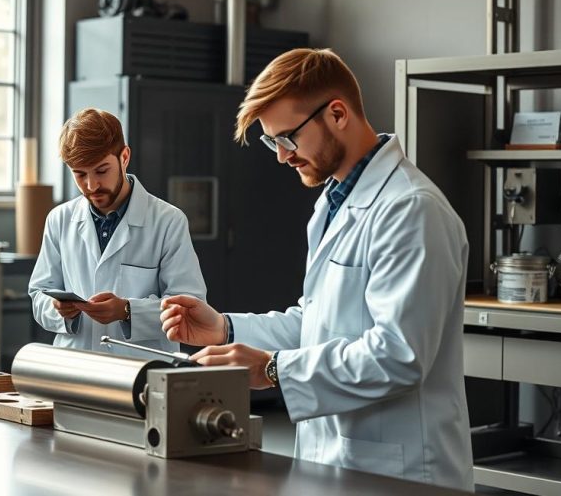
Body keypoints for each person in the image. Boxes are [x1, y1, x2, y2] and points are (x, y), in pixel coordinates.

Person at [160, 49, 473, 490]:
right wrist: (226, 330)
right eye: (274, 143)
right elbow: (317, 323)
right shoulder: (332, 203)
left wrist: (273, 370)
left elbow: (399, 355)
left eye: (287, 138)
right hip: (336, 460)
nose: (283, 157)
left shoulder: (411, 210)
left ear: (338, 113)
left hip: (401, 471)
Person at [29, 108, 207, 357]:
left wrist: (127, 311)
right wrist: (57, 309)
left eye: (102, 171)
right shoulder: (60, 219)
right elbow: (38, 295)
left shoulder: (168, 221)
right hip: (75, 368)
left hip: (142, 369)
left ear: (124, 157)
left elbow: (189, 307)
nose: (91, 186)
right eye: (80, 174)